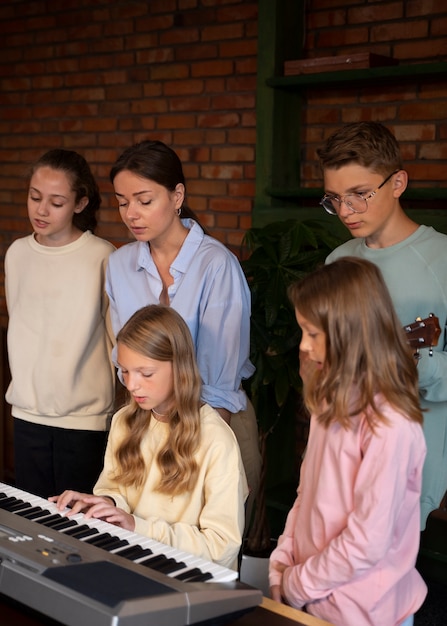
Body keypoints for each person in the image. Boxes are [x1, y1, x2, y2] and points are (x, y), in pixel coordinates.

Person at [105, 139, 262, 530]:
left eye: (144, 200)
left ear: (177, 196)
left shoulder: (216, 264)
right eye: (122, 202)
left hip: (213, 422)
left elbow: (220, 381)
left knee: (206, 554)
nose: (131, 214)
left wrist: (193, 450)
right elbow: (124, 358)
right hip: (145, 422)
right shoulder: (120, 264)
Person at [269, 257, 427, 626]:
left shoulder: (391, 424)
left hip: (365, 612)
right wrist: (282, 562)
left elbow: (367, 541)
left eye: (312, 333)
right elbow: (306, 495)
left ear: (349, 332)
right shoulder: (330, 399)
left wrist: (298, 583)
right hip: (313, 594)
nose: (304, 347)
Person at [50, 305, 248, 570]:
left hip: (188, 581)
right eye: (125, 371)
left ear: (179, 367)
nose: (131, 385)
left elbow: (222, 546)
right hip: (131, 564)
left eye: (146, 373)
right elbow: (116, 490)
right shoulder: (125, 421)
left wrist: (137, 527)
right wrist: (105, 504)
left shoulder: (216, 439)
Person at [320, 121, 447, 529]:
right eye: (335, 199)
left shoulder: (443, 260)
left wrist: (412, 364)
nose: (345, 211)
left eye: (359, 194)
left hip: (410, 465)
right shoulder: (337, 261)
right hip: (340, 453)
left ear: (398, 183)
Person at [5, 149, 116, 498]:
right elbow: (20, 323)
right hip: (26, 415)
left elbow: (114, 336)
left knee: (81, 530)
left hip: (84, 421)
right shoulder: (17, 253)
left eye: (56, 202)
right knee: (35, 525)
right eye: (35, 197)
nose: (41, 210)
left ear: (80, 204)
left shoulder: (101, 255)